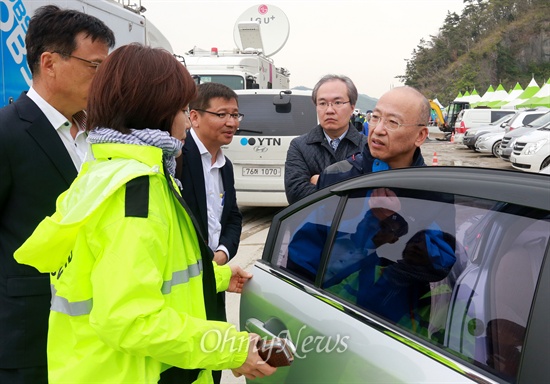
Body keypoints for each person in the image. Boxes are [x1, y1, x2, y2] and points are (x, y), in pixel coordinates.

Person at [14, 44, 276, 384]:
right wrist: (232, 348)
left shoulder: (106, 170)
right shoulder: (136, 191)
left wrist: (220, 277)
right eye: (182, 109)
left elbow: (151, 269)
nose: (186, 120)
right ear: (157, 112)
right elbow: (129, 318)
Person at [0, 6, 115, 383]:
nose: (104, 80)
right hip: (27, 332)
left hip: (91, 331)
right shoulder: (9, 132)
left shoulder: (94, 135)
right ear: (49, 62)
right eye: (95, 67)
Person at [177, 82, 243, 384]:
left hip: (214, 277)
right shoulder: (177, 158)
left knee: (214, 353)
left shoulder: (224, 164)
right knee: (187, 360)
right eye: (222, 114)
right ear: (194, 117)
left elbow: (232, 218)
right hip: (183, 283)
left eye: (235, 114)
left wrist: (222, 253)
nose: (231, 122)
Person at [318, 86, 430, 188]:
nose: (377, 130)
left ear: (420, 136)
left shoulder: (434, 189)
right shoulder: (336, 176)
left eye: (392, 122)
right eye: (375, 117)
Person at [284, 74, 368, 205]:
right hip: (313, 223)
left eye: (338, 103)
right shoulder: (299, 146)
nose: (329, 110)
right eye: (322, 103)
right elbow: (296, 195)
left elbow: (372, 195)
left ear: (352, 107)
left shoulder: (367, 146)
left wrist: (322, 181)